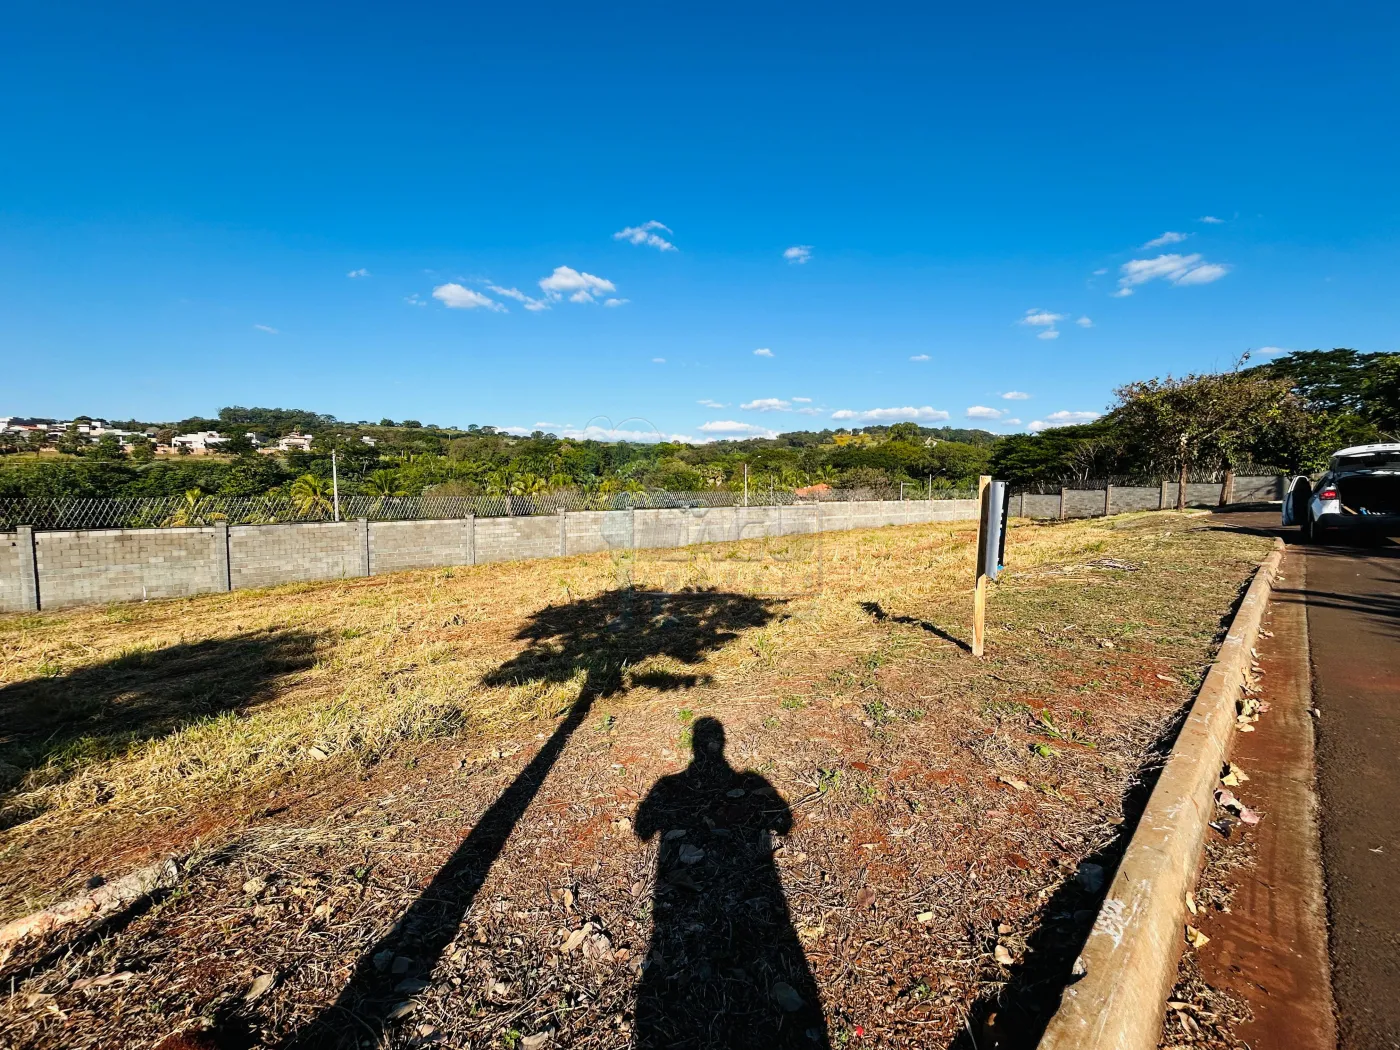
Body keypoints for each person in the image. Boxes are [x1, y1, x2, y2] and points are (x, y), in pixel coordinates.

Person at [634, 717, 828, 1049]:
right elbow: (783, 821)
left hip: (682, 909)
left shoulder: (668, 784)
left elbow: (642, 828)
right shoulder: (749, 781)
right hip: (755, 894)